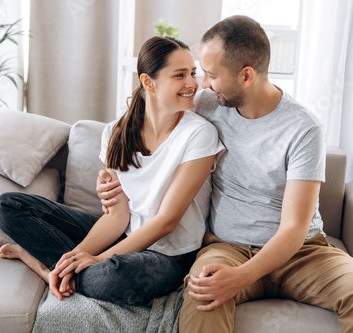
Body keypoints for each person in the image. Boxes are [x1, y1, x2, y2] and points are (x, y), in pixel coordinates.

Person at [97, 15, 353, 332]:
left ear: (246, 76)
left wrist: (242, 277)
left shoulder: (304, 128)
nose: (202, 83)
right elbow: (147, 115)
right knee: (202, 295)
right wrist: (113, 174)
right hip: (226, 248)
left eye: (210, 74)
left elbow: (294, 228)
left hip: (301, 253)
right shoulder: (208, 103)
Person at [0, 35, 224, 306]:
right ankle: (64, 270)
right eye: (180, 75)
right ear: (149, 82)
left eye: (193, 73)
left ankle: (45, 268)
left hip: (171, 254)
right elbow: (117, 217)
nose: (192, 83)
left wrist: (99, 258)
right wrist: (77, 256)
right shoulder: (116, 132)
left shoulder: (199, 134)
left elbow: (167, 221)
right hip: (124, 234)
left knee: (114, 278)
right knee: (8, 205)